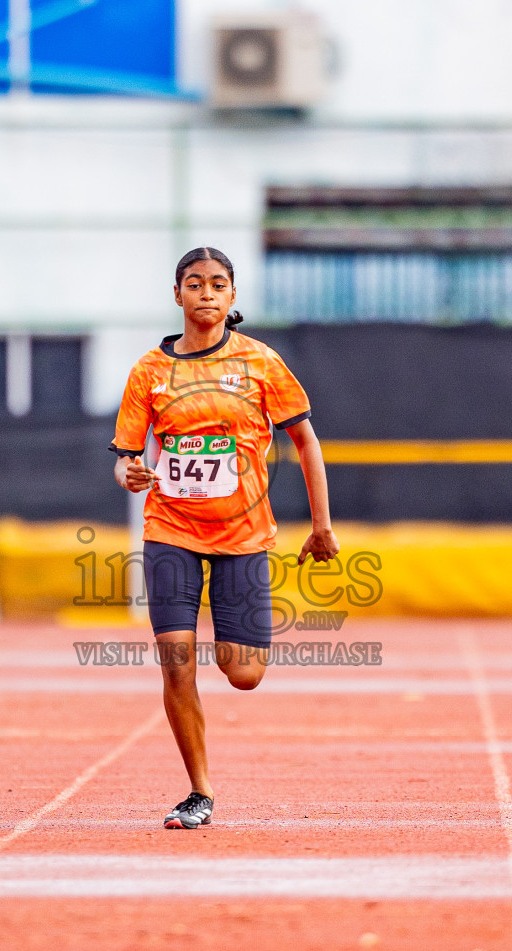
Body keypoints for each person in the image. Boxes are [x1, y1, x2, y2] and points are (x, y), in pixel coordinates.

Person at [110, 246, 338, 829]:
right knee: (176, 663)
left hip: (243, 536)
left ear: (232, 297)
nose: (206, 293)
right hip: (170, 531)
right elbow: (127, 458)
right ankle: (199, 790)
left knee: (243, 674)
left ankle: (230, 637)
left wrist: (321, 527)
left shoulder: (261, 363)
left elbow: (306, 442)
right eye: (194, 283)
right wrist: (130, 473)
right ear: (178, 295)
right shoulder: (150, 372)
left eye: (217, 284)